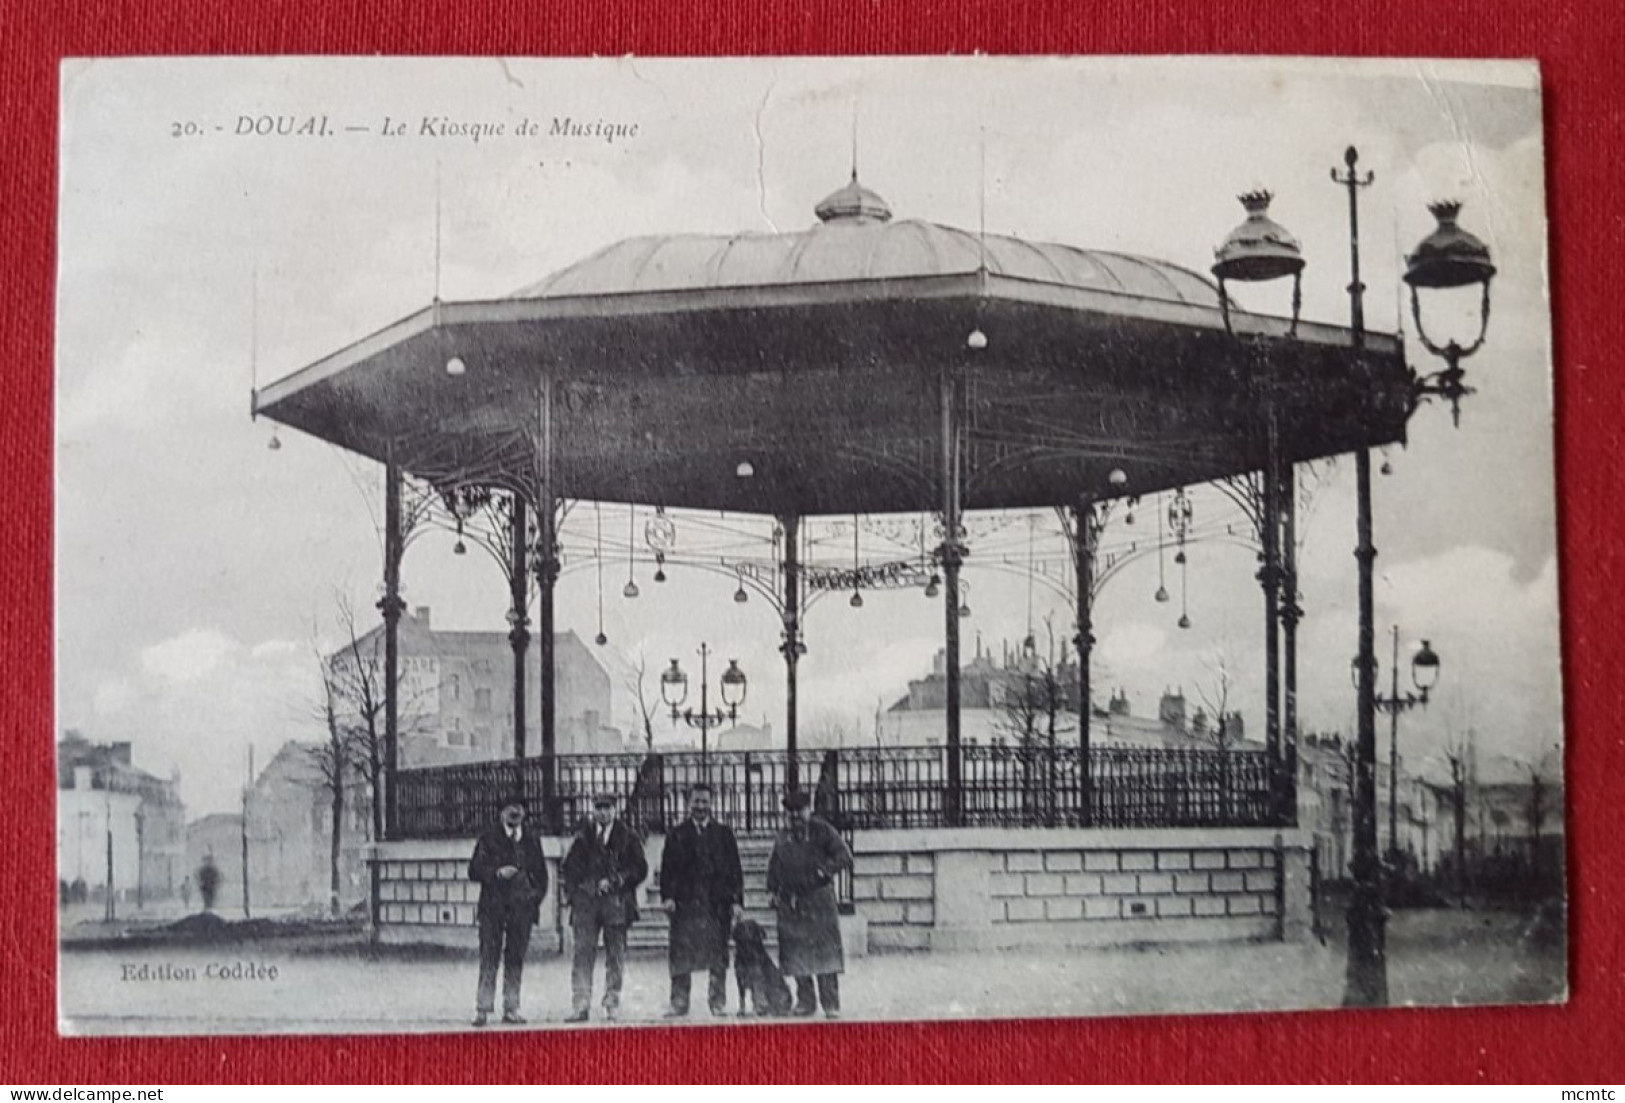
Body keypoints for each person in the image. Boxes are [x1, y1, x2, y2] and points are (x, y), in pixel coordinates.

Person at [560, 792, 647, 1023]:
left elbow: (640, 869)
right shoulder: (583, 837)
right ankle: (581, 1003)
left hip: (616, 904)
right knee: (582, 954)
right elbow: (568, 870)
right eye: (599, 807)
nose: (603, 812)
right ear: (593, 810)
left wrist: (617, 880)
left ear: (615, 809)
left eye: (607, 807)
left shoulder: (628, 837)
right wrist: (580, 890)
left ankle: (612, 1002)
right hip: (586, 906)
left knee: (615, 955)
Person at [659, 783, 744, 1017]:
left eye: (705, 801)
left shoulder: (724, 834)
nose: (700, 806)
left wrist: (737, 901)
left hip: (716, 906)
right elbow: (667, 871)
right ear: (689, 803)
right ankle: (679, 1002)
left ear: (711, 803)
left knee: (718, 955)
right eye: (696, 801)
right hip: (685, 906)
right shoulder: (676, 834)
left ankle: (717, 1001)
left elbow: (735, 871)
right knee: (680, 954)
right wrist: (667, 898)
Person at [767, 789, 853, 1019]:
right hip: (791, 902)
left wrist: (823, 871)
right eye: (790, 811)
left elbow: (844, 856)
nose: (795, 815)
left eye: (800, 810)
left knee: (825, 954)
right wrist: (773, 890)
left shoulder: (823, 831)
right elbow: (774, 865)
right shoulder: (782, 836)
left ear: (809, 809)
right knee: (796, 953)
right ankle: (806, 1002)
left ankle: (831, 1003)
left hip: (818, 900)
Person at [467, 797, 549, 1027]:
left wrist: (533, 900)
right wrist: (496, 873)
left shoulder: (531, 840)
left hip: (521, 909)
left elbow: (542, 876)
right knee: (489, 956)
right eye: (510, 808)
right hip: (493, 909)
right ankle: (482, 1008)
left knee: (515, 959)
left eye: (519, 808)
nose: (515, 812)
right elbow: (473, 870)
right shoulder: (489, 838)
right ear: (502, 812)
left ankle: (511, 1008)